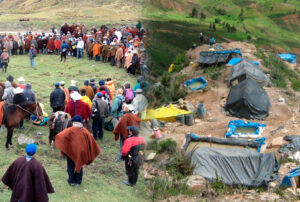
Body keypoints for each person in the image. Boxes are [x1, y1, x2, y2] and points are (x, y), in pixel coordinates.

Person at [55, 115, 100, 186]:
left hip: (70, 152)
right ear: (80, 122)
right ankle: (78, 181)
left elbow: (59, 136)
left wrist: (65, 148)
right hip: (81, 153)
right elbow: (91, 141)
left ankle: (71, 181)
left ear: (73, 122)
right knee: (80, 165)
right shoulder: (84, 130)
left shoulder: (69, 130)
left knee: (70, 166)